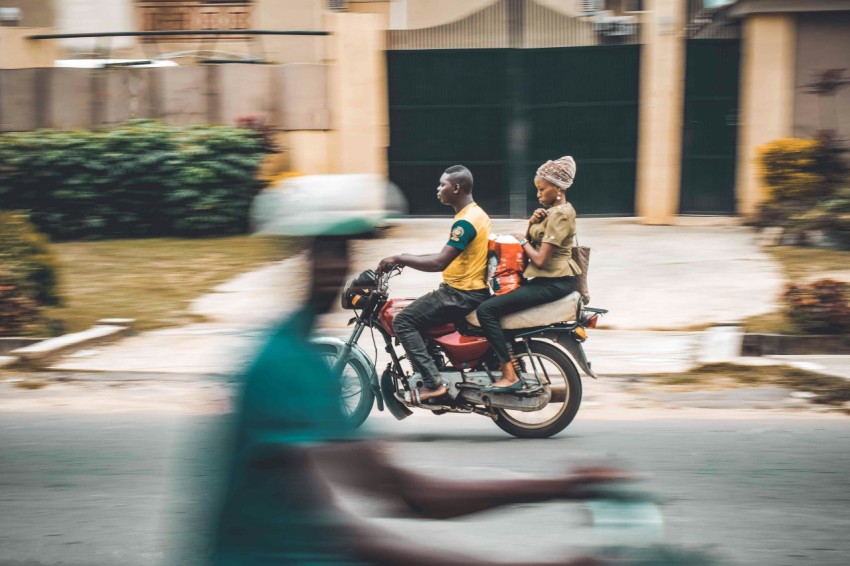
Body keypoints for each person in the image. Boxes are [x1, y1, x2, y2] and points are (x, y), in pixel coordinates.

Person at [208, 181, 641, 564]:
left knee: (409, 320)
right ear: (298, 257)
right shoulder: (284, 365)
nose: (333, 266)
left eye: (340, 251)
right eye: (321, 252)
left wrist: (562, 487)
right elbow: (382, 507)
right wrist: (561, 487)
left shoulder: (292, 359)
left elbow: (397, 496)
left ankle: (433, 381)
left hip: (458, 295)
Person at [377, 165, 491, 403]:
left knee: (404, 321)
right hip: (469, 291)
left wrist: (400, 258)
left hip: (460, 294)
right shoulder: (475, 214)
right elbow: (447, 254)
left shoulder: (465, 223)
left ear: (456, 188)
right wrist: (408, 257)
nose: (438, 189)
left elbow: (440, 262)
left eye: (443, 184)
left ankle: (433, 383)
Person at [476, 156, 582, 392]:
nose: (538, 194)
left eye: (542, 189)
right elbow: (535, 242)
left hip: (554, 282)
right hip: (548, 280)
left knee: (486, 310)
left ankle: (509, 374)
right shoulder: (552, 211)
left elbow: (541, 260)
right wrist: (531, 224)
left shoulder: (561, 214)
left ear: (557, 189)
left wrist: (521, 239)